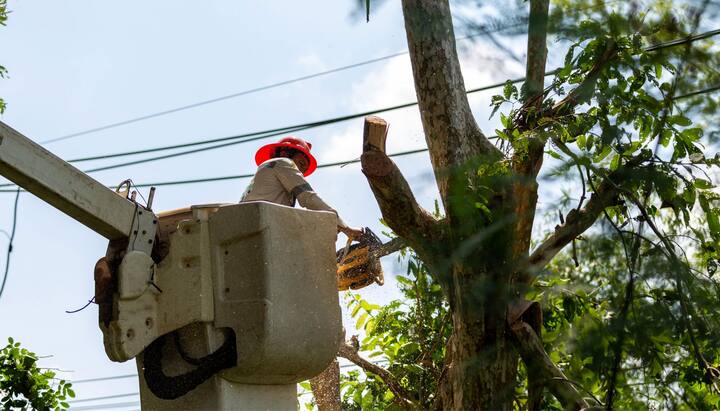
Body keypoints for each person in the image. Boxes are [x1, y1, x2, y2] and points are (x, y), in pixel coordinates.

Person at [241, 136, 363, 240]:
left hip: (252, 228)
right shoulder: (283, 162)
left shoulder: (263, 178)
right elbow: (308, 197)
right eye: (301, 164)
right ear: (284, 153)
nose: (299, 172)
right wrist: (347, 228)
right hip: (264, 227)